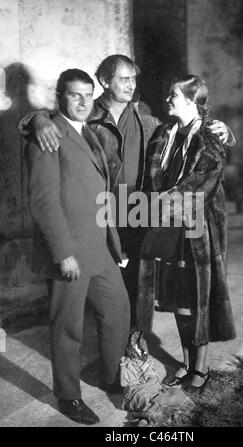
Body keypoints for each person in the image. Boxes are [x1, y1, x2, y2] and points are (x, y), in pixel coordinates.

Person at [18, 54, 234, 326]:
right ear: (105, 81)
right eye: (123, 79)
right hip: (98, 213)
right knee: (89, 292)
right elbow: (52, 120)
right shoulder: (85, 112)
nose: (131, 84)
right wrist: (36, 119)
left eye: (133, 79)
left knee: (134, 289)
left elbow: (186, 125)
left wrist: (222, 129)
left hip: (135, 210)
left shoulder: (144, 115)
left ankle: (131, 352)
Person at [24, 69, 130, 424]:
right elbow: (43, 202)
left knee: (117, 312)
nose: (84, 102)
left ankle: (112, 377)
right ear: (60, 97)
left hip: (100, 246)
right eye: (75, 95)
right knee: (67, 326)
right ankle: (68, 396)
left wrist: (115, 243)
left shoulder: (89, 131)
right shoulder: (48, 134)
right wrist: (62, 252)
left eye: (88, 94)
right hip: (70, 250)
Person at [139, 75, 236, 393]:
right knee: (177, 300)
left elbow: (202, 183)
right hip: (169, 224)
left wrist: (157, 207)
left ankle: (201, 367)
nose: (168, 100)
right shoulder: (164, 132)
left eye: (174, 95)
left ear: (193, 101)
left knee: (198, 299)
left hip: (198, 229)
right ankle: (185, 361)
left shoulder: (210, 135)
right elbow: (150, 177)